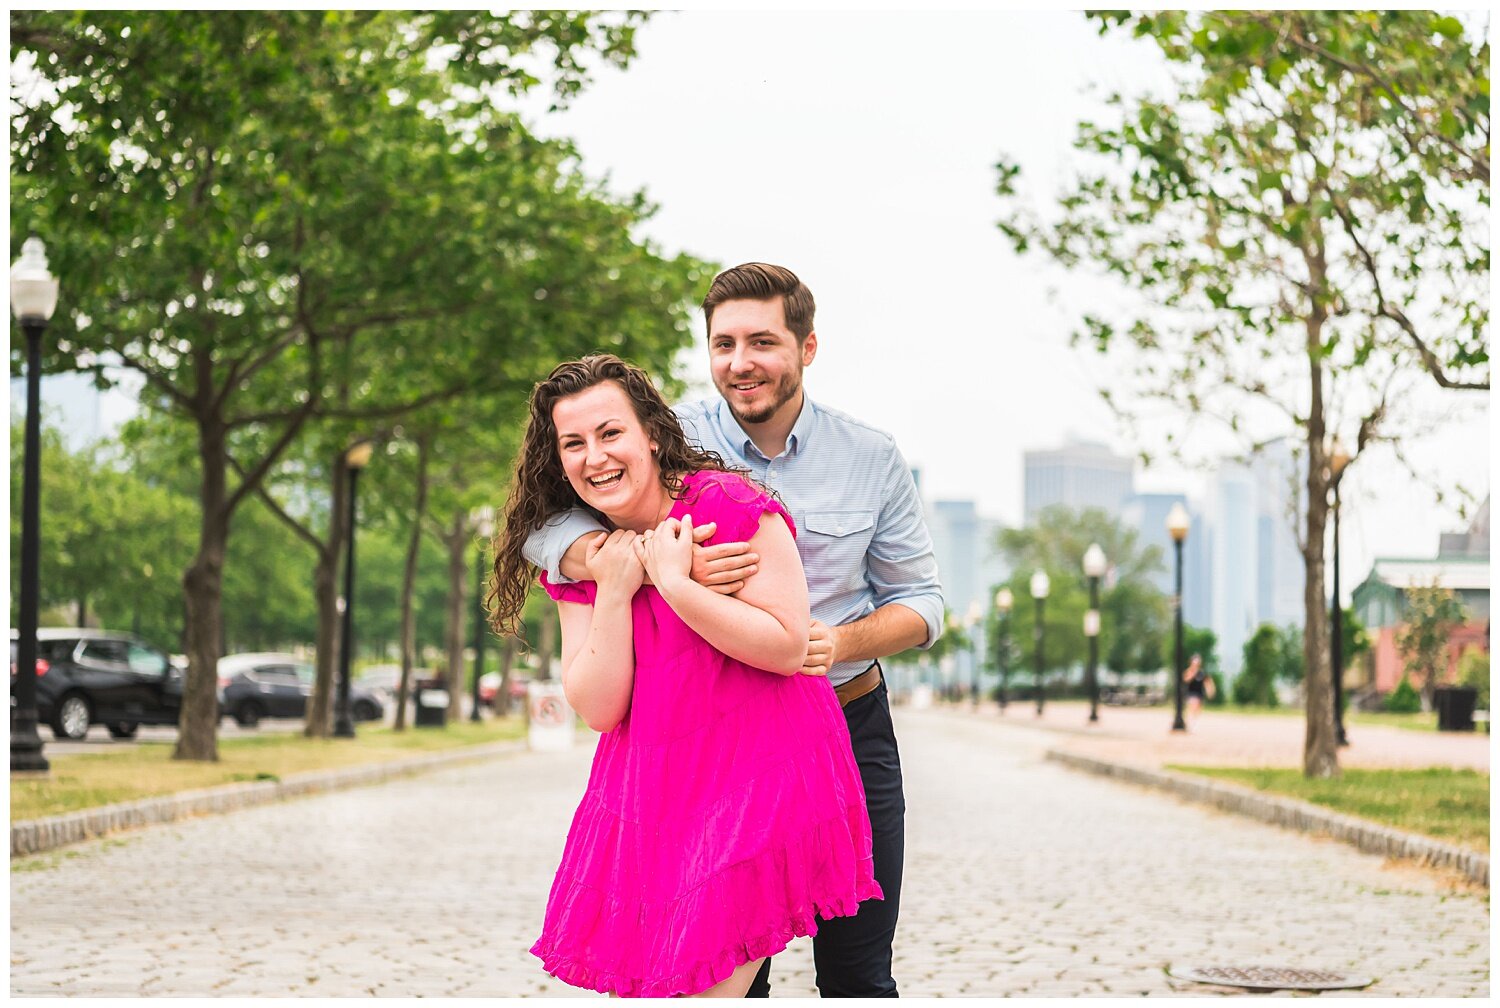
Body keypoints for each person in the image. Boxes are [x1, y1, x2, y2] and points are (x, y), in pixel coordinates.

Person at [525, 263, 944, 997]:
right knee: (724, 973)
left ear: (807, 347)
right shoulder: (659, 433)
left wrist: (834, 643)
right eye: (723, 344)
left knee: (854, 970)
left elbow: (922, 602)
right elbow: (553, 515)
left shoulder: (866, 458)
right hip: (697, 748)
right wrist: (625, 567)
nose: (740, 363)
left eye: (761, 342)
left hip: (836, 715)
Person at [491, 354, 882, 999]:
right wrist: (618, 589)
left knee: (709, 994)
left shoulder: (729, 507)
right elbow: (597, 706)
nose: (595, 456)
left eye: (610, 432)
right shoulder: (589, 558)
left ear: (650, 430)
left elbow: (786, 646)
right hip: (658, 792)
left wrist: (673, 583)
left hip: (760, 773)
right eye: (574, 443)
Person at [1182, 653, 1212, 722]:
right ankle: (1190, 721)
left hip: (1199, 693)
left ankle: (1193, 721)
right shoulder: (1189, 671)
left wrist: (1209, 691)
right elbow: (1185, 680)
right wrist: (1193, 674)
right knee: (1193, 705)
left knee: (1197, 710)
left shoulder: (1201, 673)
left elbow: (1206, 682)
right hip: (1191, 693)